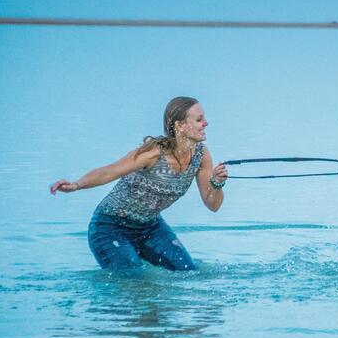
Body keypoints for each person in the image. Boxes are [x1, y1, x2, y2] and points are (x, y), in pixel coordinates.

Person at [49, 96, 228, 271]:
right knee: (133, 280)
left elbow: (213, 205)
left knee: (188, 272)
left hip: (150, 227)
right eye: (199, 119)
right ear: (180, 126)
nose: (206, 123)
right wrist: (76, 185)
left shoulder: (201, 155)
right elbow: (110, 171)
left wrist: (217, 183)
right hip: (110, 227)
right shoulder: (154, 153)